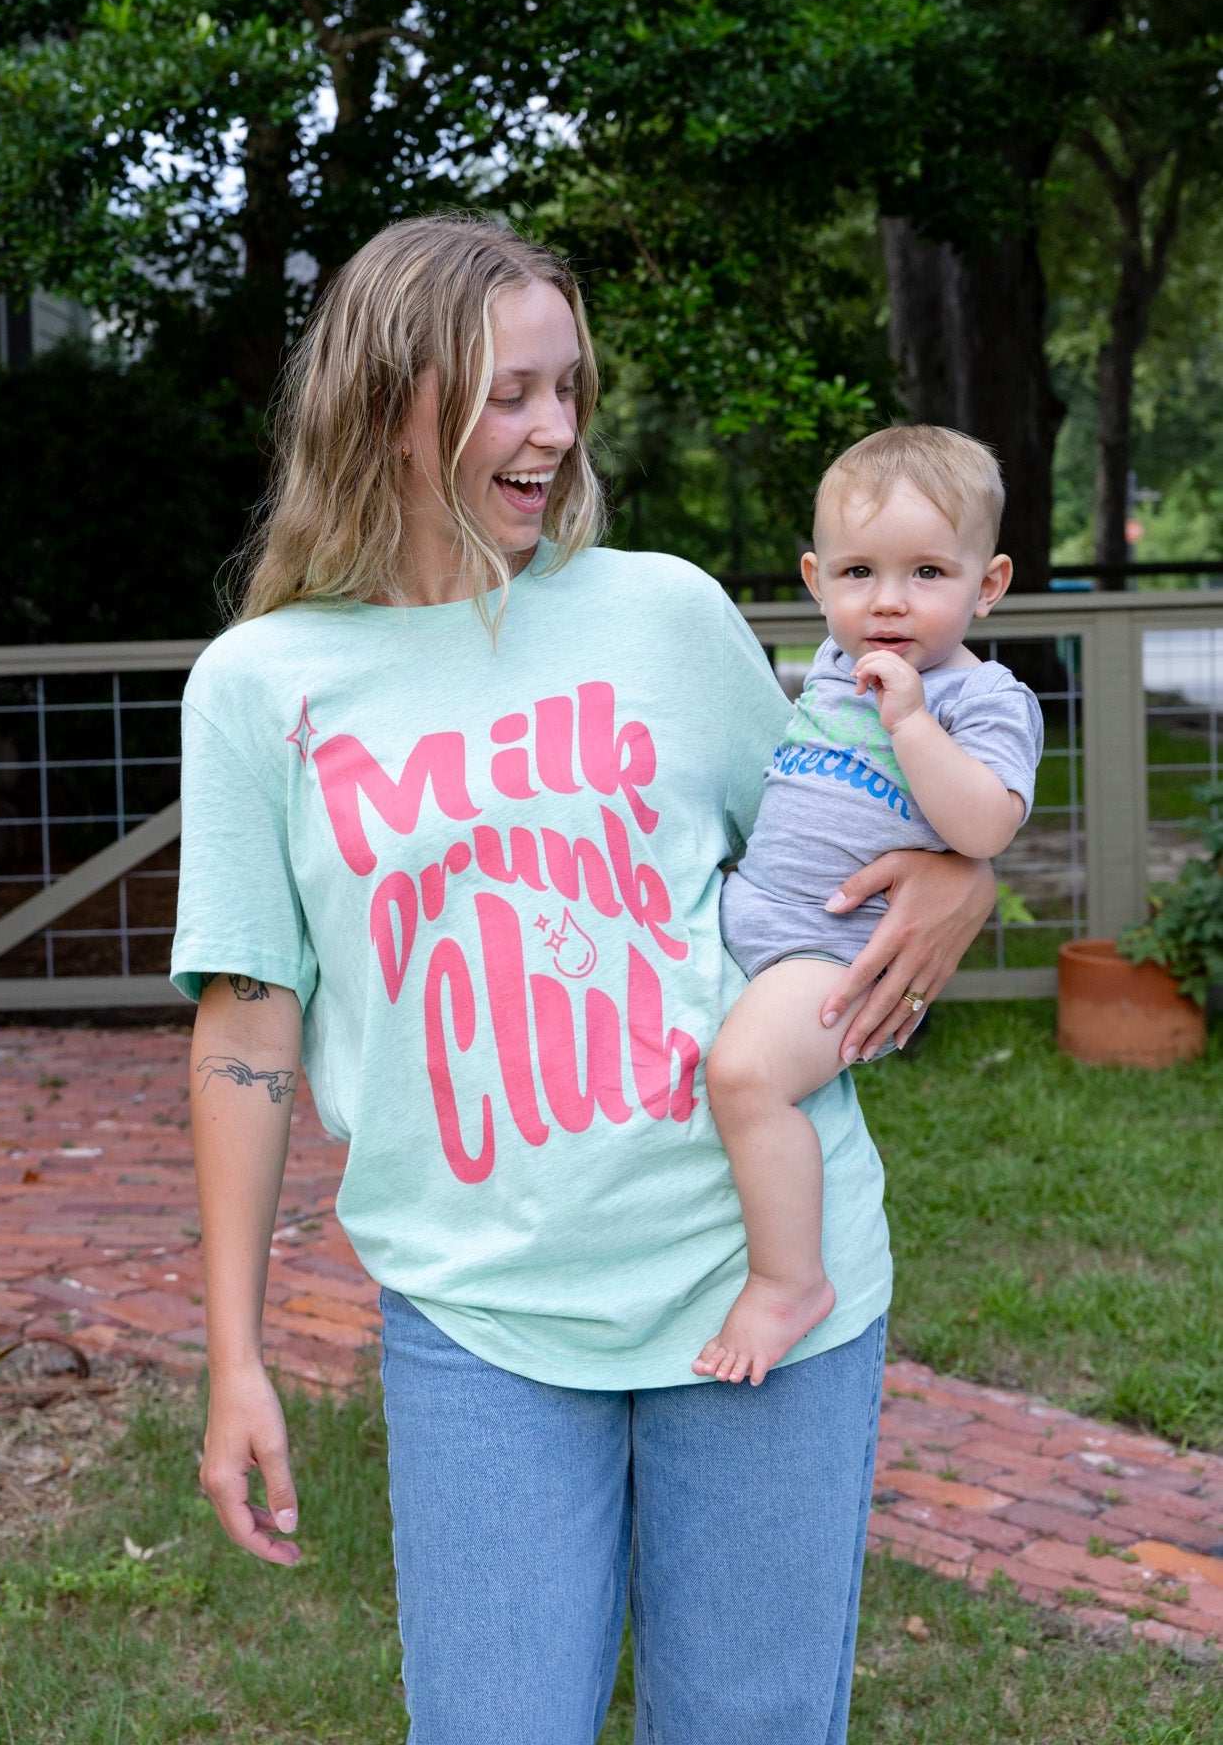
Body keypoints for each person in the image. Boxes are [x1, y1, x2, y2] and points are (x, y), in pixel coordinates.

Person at [169, 216, 997, 1744]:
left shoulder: (662, 613)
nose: (550, 429)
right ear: (385, 400)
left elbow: (836, 821)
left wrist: (967, 871)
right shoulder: (261, 686)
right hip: (478, 1307)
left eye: (565, 388)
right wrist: (235, 1356)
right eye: (504, 392)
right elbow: (245, 1025)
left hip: (758, 1278)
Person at [694, 427, 1044, 1386]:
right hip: (753, 917)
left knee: (744, 1078)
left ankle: (788, 1280)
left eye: (927, 571)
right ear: (816, 579)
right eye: (858, 571)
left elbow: (982, 828)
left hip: (833, 956)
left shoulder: (981, 699)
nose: (888, 599)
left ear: (987, 584)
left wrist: (911, 722)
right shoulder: (828, 664)